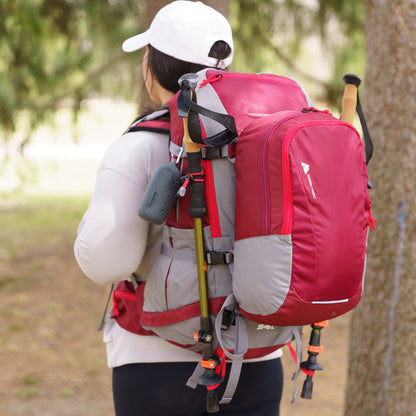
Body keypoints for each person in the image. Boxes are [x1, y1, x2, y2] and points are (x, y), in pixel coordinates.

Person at [74, 2, 283, 415]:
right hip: (260, 357)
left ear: (152, 65)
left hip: (157, 363)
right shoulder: (262, 139)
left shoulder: (139, 145)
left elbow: (104, 261)